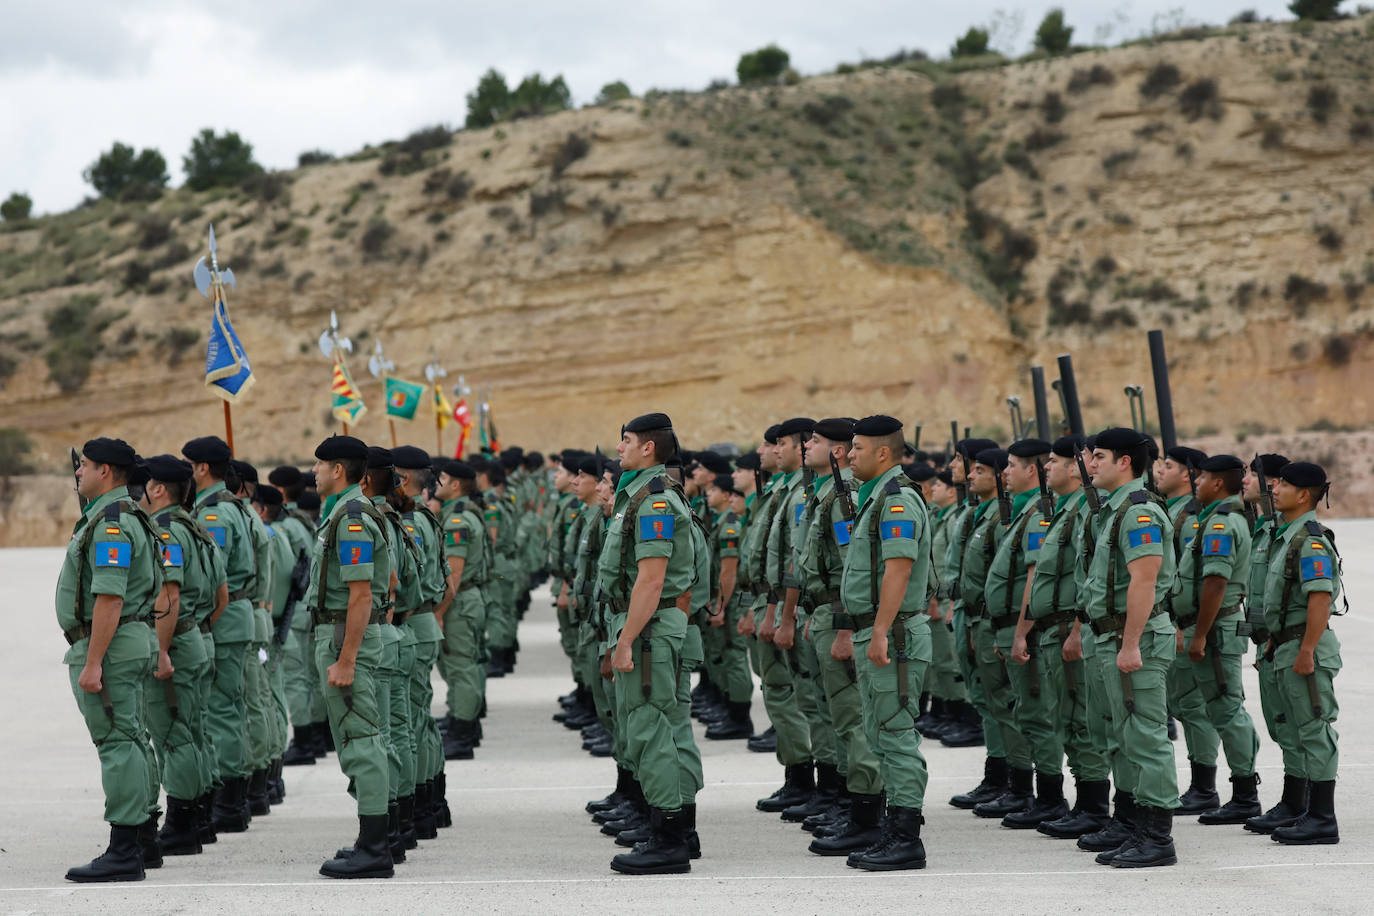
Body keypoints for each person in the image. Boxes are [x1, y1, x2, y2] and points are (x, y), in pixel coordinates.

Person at [599, 412, 702, 875]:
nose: (618, 448)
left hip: (649, 629)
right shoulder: (643, 494)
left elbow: (651, 579)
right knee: (670, 727)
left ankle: (668, 839)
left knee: (650, 731)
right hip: (656, 626)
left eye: (626, 441)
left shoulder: (653, 501)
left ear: (649, 449)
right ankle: (680, 829)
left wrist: (626, 640)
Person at [60, 438, 163, 883]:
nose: (77, 472)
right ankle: (142, 841)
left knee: (119, 745)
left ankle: (124, 850)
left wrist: (93, 661)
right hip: (130, 641)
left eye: (83, 465)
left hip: (113, 646)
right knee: (134, 739)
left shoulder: (111, 522)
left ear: (106, 471)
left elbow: (109, 596)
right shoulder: (129, 516)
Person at [1078, 427, 1179, 868]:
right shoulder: (1113, 510)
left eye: (1099, 455)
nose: (1090, 462)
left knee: (1146, 736)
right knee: (1123, 736)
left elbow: (1145, 580)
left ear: (1124, 462)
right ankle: (1134, 822)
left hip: (1132, 637)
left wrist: (1131, 643)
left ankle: (1158, 836)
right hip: (1111, 635)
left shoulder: (1138, 514)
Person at [837, 415, 933, 871]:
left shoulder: (895, 502)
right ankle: (892, 832)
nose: (847, 454)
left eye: (856, 447)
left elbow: (899, 570)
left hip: (891, 635)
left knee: (895, 736)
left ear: (882, 453)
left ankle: (906, 839)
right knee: (879, 733)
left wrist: (878, 631)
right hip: (878, 630)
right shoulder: (875, 497)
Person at [307, 435, 395, 879]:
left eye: (319, 466)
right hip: (344, 634)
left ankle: (376, 848)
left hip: (347, 637)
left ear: (337, 470)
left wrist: (346, 659)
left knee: (362, 741)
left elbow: (361, 596)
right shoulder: (348, 513)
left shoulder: (352, 518)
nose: (315, 473)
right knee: (357, 738)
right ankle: (370, 839)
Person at [139, 454, 223, 858]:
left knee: (174, 738)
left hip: (176, 644)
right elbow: (220, 597)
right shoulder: (195, 527)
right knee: (193, 732)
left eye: (147, 483)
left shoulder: (167, 530)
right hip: (195, 638)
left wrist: (161, 649)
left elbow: (168, 595)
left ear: (158, 489)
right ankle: (200, 819)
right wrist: (195, 629)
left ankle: (182, 826)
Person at [1170, 455, 1260, 825]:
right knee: (1206, 706)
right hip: (1204, 627)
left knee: (1227, 709)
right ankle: (1211, 788)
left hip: (1216, 631)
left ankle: (1245, 794)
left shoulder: (1222, 523)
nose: (1197, 481)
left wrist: (1200, 635)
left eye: (1203, 476)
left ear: (1219, 483)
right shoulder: (1212, 519)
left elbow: (1216, 582)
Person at [1261, 462, 1343, 845]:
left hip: (1304, 646)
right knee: (1298, 730)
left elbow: (1320, 598)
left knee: (1315, 729)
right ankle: (1310, 812)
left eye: (1285, 485)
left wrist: (1307, 650)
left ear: (1305, 495)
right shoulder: (1287, 535)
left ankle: (1323, 819)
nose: (1275, 489)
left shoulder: (1309, 540)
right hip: (1288, 644)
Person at [182, 436, 257, 833]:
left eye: (189, 465)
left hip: (223, 620)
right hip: (235, 616)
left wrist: (201, 620)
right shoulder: (231, 506)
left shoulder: (213, 514)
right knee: (230, 707)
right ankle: (233, 798)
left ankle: (229, 802)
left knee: (222, 711)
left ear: (201, 468)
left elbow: (213, 576)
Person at [392, 446, 452, 835]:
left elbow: (404, 582)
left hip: (413, 622)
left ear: (402, 478)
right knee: (421, 720)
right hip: (426, 621)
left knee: (409, 723)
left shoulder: (410, 521)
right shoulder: (425, 518)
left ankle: (417, 807)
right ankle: (431, 802)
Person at [434, 459, 491, 761]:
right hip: (466, 600)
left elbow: (452, 577)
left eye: (442, 477)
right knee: (460, 665)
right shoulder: (458, 514)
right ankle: (461, 722)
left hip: (459, 603)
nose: (437, 482)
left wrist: (438, 613)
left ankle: (462, 733)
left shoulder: (457, 520)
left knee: (461, 667)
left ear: (455, 485)